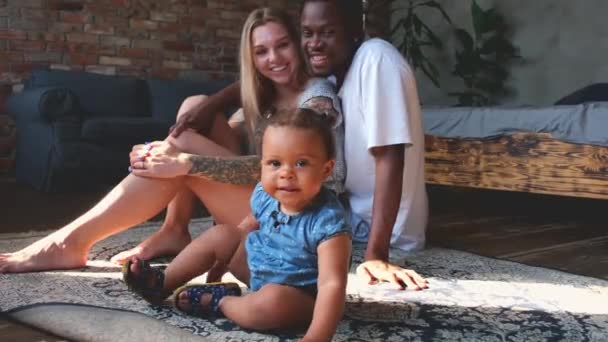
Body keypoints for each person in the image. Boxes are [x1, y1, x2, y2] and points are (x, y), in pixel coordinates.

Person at [0, 8, 345, 276]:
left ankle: (70, 243)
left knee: (182, 152)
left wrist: (184, 162)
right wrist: (160, 150)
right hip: (259, 205)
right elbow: (205, 135)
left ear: (297, 45)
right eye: (262, 51)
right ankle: (173, 229)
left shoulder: (315, 101)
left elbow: (269, 171)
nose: (274, 58)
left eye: (282, 45)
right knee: (193, 107)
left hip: (294, 219)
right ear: (251, 59)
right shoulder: (264, 99)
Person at [170, 0, 429, 290]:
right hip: (344, 217)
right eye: (308, 33)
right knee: (187, 124)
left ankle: (165, 237)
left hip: (371, 232)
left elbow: (389, 156)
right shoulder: (337, 69)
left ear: (355, 30)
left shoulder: (374, 59)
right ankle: (170, 231)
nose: (315, 44)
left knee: (177, 155)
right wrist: (212, 104)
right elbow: (266, 79)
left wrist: (376, 255)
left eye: (328, 32)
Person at [123, 108, 351, 342]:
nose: (286, 173)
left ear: (326, 170)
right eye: (274, 163)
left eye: (301, 163)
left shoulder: (328, 223)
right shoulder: (266, 194)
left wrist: (318, 336)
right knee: (222, 234)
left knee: (272, 303)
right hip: (258, 268)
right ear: (262, 164)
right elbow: (248, 225)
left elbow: (332, 283)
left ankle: (221, 301)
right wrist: (225, 257)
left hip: (299, 296)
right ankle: (161, 283)